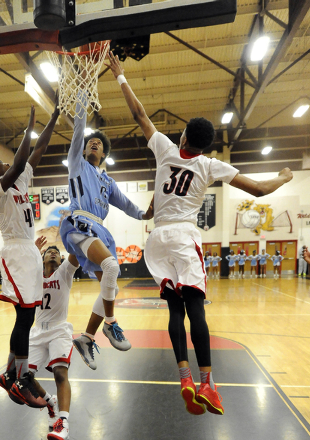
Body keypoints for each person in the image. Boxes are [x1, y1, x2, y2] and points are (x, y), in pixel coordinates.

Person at [107, 51, 293, 416]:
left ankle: (185, 378)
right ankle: (208, 383)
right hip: (183, 236)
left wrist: (121, 76)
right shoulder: (210, 165)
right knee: (195, 308)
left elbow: (139, 115)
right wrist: (284, 178)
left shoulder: (164, 148)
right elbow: (256, 188)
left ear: (183, 136)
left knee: (174, 308)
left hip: (156, 240)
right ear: (205, 146)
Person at [60, 86, 153, 371]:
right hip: (79, 222)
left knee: (107, 286)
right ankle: (111, 324)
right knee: (112, 268)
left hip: (99, 229)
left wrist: (144, 213)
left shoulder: (108, 182)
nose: (93, 144)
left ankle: (86, 337)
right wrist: (81, 100)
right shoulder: (77, 163)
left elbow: (125, 204)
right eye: (91, 142)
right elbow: (79, 129)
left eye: (98, 144)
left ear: (104, 153)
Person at [0, 102, 59, 408]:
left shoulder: (20, 179)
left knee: (29, 315)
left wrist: (52, 119)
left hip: (29, 249)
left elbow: (40, 148)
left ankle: (10, 373)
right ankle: (21, 379)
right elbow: (20, 159)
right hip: (15, 250)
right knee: (24, 316)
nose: (3, 162)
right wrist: (28, 127)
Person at [25, 237, 79, 440]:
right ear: (43, 257)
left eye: (56, 251)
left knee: (59, 373)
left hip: (59, 329)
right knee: (25, 377)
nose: (53, 252)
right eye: (49, 251)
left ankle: (63, 423)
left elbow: (75, 256)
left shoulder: (64, 272)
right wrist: (32, 252)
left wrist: (74, 234)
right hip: (37, 331)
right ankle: (51, 401)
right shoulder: (35, 275)